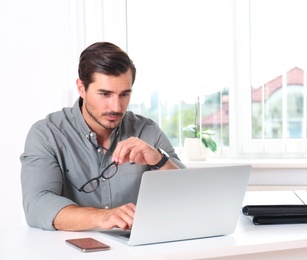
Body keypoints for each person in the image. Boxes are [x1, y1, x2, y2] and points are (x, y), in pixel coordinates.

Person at [20, 42, 186, 231]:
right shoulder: (47, 134)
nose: (116, 107)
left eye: (124, 94)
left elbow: (189, 196)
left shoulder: (147, 131)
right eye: (105, 94)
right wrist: (103, 217)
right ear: (81, 88)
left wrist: (160, 159)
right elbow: (37, 205)